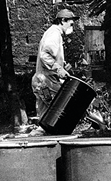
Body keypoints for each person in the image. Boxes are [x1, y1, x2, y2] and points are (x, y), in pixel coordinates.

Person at [30, 8, 79, 136]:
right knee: (54, 116)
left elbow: (50, 56)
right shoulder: (54, 34)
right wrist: (58, 68)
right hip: (45, 81)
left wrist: (63, 66)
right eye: (71, 23)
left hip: (42, 80)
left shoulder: (52, 33)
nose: (72, 27)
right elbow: (45, 55)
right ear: (63, 21)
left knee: (45, 120)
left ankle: (41, 146)